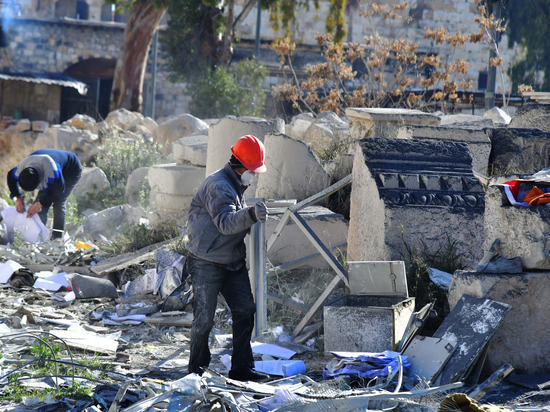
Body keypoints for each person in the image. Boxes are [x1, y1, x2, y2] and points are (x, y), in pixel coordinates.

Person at [186, 135, 268, 381]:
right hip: (205, 261)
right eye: (252, 170)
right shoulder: (219, 185)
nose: (254, 175)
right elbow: (225, 223)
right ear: (239, 165)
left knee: (245, 310)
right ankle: (196, 371)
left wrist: (251, 216)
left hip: (231, 261)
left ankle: (242, 368)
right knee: (204, 320)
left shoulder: (236, 184)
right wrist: (252, 214)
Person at [7, 148, 82, 239]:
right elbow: (10, 178)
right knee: (40, 203)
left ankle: (57, 238)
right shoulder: (20, 170)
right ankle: (38, 236)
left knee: (58, 203)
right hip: (44, 165)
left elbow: (58, 191)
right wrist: (17, 198)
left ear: (39, 181)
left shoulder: (52, 172)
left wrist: (38, 204)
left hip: (71, 169)